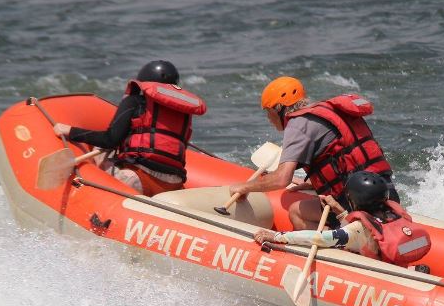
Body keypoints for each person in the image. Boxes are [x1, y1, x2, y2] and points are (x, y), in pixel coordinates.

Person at [227, 76, 397, 229]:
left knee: (296, 212)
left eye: (268, 112)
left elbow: (281, 179)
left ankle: (339, 245)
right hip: (387, 193)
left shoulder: (297, 124)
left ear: (277, 109)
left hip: (357, 205)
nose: (268, 119)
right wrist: (313, 184)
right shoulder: (327, 111)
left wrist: (244, 187)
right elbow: (349, 160)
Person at [52, 60, 206, 195]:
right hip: (172, 187)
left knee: (95, 151)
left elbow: (110, 139)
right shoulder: (183, 114)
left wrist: (70, 131)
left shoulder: (134, 101)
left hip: (136, 179)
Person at [252, 171, 430, 267]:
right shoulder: (395, 214)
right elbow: (363, 231)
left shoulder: (358, 230)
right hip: (394, 264)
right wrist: (338, 209)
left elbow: (319, 238)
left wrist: (277, 236)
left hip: (375, 273)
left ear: (353, 200)